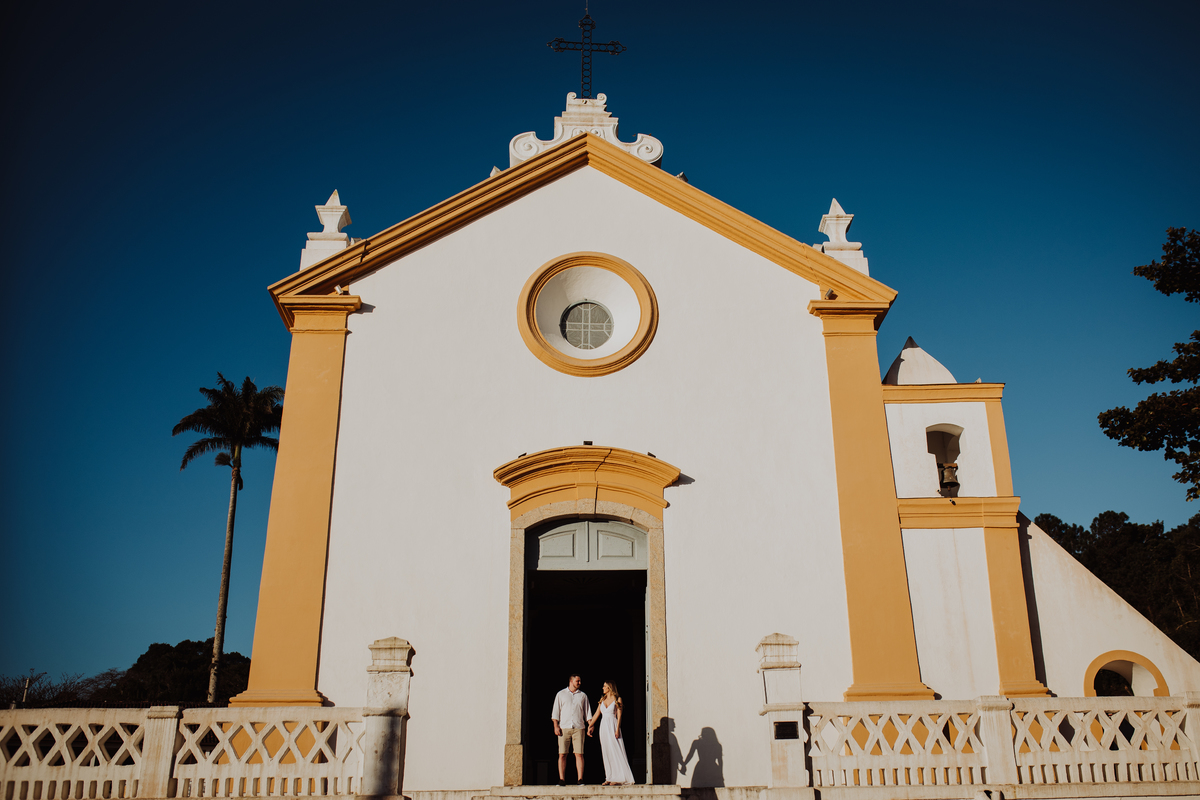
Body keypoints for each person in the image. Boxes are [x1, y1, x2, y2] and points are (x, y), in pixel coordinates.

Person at [587, 681, 635, 785]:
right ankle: (609, 776)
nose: (603, 688)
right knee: (606, 752)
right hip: (604, 727)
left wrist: (617, 729)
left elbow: (619, 716)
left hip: (613, 725)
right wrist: (590, 726)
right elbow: (596, 714)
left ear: (609, 687)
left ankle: (618, 777)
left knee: (615, 750)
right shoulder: (602, 700)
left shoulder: (618, 699)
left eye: (604, 686)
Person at [551, 673, 591, 786]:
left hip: (579, 727)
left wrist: (590, 725)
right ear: (571, 681)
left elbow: (587, 712)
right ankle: (562, 779)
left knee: (579, 754)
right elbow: (556, 712)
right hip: (564, 727)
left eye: (580, 681)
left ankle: (580, 779)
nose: (579, 683)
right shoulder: (561, 694)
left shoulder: (583, 695)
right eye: (577, 681)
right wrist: (555, 726)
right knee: (562, 754)